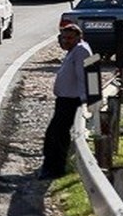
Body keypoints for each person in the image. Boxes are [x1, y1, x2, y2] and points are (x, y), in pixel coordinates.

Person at [38, 24, 91, 180]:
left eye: (69, 38)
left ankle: (55, 169)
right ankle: (52, 166)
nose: (65, 41)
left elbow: (83, 77)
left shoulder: (80, 51)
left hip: (72, 101)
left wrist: (84, 101)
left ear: (78, 37)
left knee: (56, 135)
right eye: (63, 38)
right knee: (56, 134)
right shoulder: (74, 50)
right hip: (65, 100)